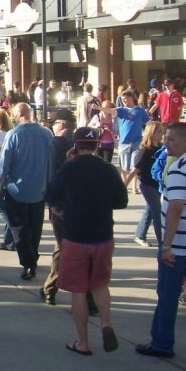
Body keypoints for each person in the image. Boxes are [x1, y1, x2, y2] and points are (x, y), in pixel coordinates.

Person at [45, 127, 128, 356]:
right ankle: (105, 322)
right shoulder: (108, 169)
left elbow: (50, 193)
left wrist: (59, 209)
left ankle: (83, 342)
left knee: (78, 291)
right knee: (100, 284)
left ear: (76, 145)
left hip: (76, 236)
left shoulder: (69, 168)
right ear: (97, 145)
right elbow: (121, 201)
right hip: (103, 235)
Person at [136, 123, 186, 358]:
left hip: (179, 247)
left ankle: (161, 343)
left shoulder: (180, 168)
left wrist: (166, 245)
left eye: (170, 140)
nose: (165, 143)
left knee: (167, 295)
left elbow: (175, 209)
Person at [0, 103, 53, 280]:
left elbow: (4, 165)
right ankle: (33, 256)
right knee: (35, 228)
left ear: (19, 113)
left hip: (16, 190)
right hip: (40, 190)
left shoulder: (14, 134)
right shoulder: (46, 133)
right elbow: (52, 162)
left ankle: (28, 263)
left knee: (20, 230)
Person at [39, 110, 76, 305]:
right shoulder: (81, 141)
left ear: (60, 125)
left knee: (63, 246)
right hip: (79, 206)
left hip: (61, 205)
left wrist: (52, 203)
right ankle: (49, 288)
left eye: (54, 124)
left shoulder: (57, 143)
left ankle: (50, 290)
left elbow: (52, 175)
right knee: (63, 246)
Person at [102, 90, 149, 189]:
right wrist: (98, 107)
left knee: (135, 166)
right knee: (124, 167)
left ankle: (134, 186)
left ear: (132, 98)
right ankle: (124, 183)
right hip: (124, 142)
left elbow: (147, 123)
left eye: (126, 99)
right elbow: (110, 110)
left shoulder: (140, 110)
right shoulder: (121, 110)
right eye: (123, 100)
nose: (124, 101)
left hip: (137, 141)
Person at [127, 121, 164, 246]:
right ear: (151, 133)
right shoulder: (144, 151)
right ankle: (162, 241)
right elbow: (135, 171)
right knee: (157, 212)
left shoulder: (161, 148)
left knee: (150, 210)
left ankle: (139, 235)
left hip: (157, 184)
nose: (162, 134)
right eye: (159, 131)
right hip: (147, 185)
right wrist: (123, 186)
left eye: (162, 131)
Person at [0, 108, 14, 251]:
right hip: (11, 172)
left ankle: (16, 230)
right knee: (7, 206)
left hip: (1, 172)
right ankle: (9, 241)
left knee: (0, 208)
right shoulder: (11, 132)